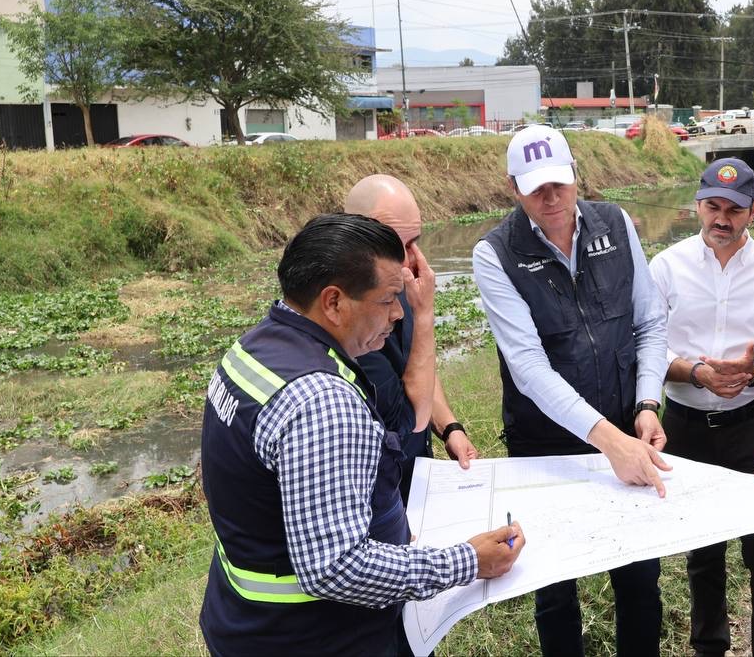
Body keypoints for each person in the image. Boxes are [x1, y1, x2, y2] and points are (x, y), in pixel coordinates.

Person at [199, 213, 523, 657]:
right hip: (312, 637)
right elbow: (336, 566)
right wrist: (469, 561)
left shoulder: (254, 348)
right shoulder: (321, 401)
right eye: (389, 298)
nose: (396, 313)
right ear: (333, 302)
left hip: (242, 620)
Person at [472, 124, 670, 657]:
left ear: (577, 177)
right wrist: (611, 441)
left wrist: (647, 404)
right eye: (536, 187)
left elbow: (649, 323)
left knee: (638, 573)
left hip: (626, 426)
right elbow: (529, 368)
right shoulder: (495, 254)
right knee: (553, 586)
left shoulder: (617, 223)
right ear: (514, 187)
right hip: (544, 444)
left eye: (559, 182)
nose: (551, 197)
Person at [649, 158, 754, 657]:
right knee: (703, 550)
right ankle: (709, 648)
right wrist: (697, 373)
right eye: (713, 207)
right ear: (696, 205)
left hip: (752, 426)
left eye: (734, 210)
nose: (722, 219)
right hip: (687, 425)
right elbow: (647, 347)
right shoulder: (666, 267)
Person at [344, 175, 478, 501]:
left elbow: (419, 364)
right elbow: (409, 413)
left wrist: (449, 427)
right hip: (377, 489)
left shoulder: (400, 279)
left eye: (413, 243)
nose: (407, 262)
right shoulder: (350, 318)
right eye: (393, 245)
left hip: (417, 473)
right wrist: (426, 314)